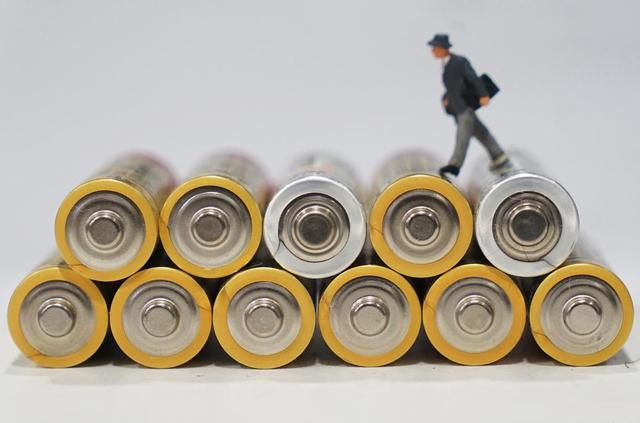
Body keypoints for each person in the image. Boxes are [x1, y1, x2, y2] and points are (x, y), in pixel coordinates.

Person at [428, 33, 509, 177]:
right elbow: (453, 87)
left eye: (434, 48)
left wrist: (483, 94)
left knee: (462, 136)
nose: (432, 51)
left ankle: (454, 166)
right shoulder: (445, 64)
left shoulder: (459, 61)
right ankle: (498, 154)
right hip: (457, 106)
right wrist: (446, 98)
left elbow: (473, 78)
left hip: (464, 107)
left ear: (443, 48)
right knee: (482, 133)